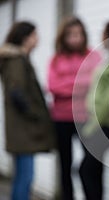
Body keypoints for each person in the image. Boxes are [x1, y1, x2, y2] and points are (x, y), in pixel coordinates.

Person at [0, 21, 55, 200]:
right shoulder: (16, 60)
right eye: (34, 35)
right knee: (25, 176)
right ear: (25, 38)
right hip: (23, 129)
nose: (37, 39)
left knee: (21, 176)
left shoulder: (16, 58)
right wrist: (36, 113)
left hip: (20, 127)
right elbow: (17, 92)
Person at [47, 16, 101, 200]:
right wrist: (80, 83)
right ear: (63, 37)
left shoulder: (93, 56)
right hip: (61, 119)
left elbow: (96, 82)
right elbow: (53, 86)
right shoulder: (56, 59)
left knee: (91, 165)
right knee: (65, 164)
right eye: (70, 35)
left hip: (86, 118)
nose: (75, 38)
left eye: (78, 34)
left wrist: (69, 84)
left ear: (84, 35)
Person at [82, 18, 109, 200]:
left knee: (86, 169)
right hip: (96, 122)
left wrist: (92, 124)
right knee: (93, 169)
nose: (102, 37)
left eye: (105, 33)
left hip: (107, 124)